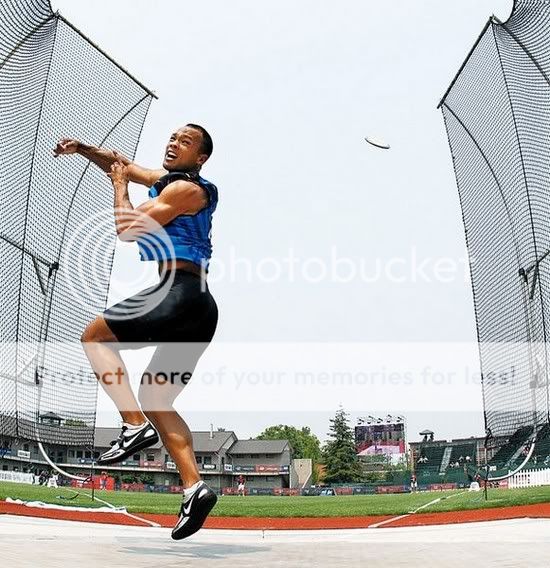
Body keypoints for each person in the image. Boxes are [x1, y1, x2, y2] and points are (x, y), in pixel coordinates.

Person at [54, 125, 219, 540]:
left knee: (94, 337)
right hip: (197, 304)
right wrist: (84, 149)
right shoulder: (170, 183)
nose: (173, 142)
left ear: (199, 158)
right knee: (157, 397)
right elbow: (122, 165)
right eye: (172, 136)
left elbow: (127, 229)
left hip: (178, 293)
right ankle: (194, 486)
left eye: (185, 141)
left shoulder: (186, 191)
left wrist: (118, 186)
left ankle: (132, 425)